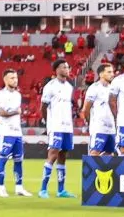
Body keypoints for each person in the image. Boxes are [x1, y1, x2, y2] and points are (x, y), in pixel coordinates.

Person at [40, 60, 77, 199]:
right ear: (56, 70)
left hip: (67, 126)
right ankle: (43, 189)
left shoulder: (69, 86)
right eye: (63, 67)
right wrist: (48, 124)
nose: (67, 69)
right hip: (55, 126)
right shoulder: (50, 86)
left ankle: (61, 190)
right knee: (53, 154)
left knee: (63, 156)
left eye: (68, 66)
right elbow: (43, 107)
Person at [0, 69, 32, 197]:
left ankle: (19, 187)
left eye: (16, 78)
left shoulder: (18, 95)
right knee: (3, 159)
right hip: (5, 132)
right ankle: (1, 187)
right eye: (12, 78)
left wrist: (14, 112)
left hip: (17, 133)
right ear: (5, 80)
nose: (15, 80)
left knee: (18, 160)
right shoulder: (0, 94)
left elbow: (9, 111)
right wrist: (16, 112)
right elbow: (2, 113)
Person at [82, 63, 117, 157]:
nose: (112, 74)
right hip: (99, 128)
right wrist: (90, 123)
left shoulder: (112, 89)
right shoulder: (94, 88)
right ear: (101, 74)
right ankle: (90, 171)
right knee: (95, 152)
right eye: (109, 72)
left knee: (110, 154)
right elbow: (85, 109)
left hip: (111, 128)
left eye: (112, 72)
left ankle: (102, 171)